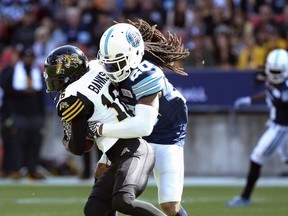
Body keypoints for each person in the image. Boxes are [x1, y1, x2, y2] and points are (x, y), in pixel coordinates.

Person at [43, 44, 165, 216]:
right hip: (116, 155)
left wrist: (69, 140)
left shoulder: (73, 96)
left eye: (55, 71)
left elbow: (79, 148)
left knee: (123, 201)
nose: (52, 76)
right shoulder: (96, 66)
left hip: (133, 150)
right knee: (94, 209)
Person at [95, 19, 190, 216]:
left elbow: (143, 126)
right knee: (101, 172)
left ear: (134, 56)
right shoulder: (109, 69)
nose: (110, 71)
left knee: (170, 206)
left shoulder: (146, 75)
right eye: (107, 64)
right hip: (135, 127)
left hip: (166, 133)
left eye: (117, 64)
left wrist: (100, 129)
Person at [226, 48, 288, 207]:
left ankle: (245, 197)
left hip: (282, 128)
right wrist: (249, 99)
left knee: (256, 157)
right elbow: (268, 91)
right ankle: (245, 197)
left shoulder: (284, 88)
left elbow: (279, 98)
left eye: (277, 71)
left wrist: (269, 86)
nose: (274, 74)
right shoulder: (276, 83)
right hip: (277, 126)